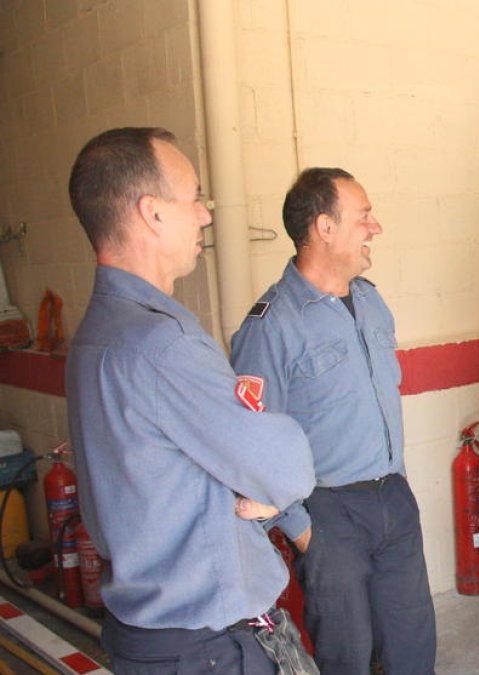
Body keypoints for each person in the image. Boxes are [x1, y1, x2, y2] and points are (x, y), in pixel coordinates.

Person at [65, 127, 317, 673]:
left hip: (152, 638)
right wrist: (273, 485)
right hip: (208, 647)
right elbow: (283, 464)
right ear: (152, 213)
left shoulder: (97, 334)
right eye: (195, 197)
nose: (206, 215)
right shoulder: (162, 345)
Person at [230, 168, 436, 674]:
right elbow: (249, 446)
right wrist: (303, 533)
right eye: (363, 215)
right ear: (324, 227)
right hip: (328, 514)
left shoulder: (370, 301)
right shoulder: (271, 325)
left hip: (393, 499)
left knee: (414, 650)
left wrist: (400, 485)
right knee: (348, 658)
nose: (376, 227)